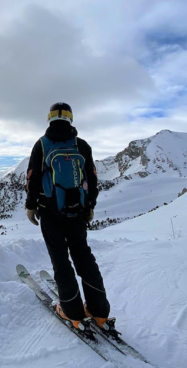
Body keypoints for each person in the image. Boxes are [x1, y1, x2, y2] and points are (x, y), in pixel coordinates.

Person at [25, 102, 111, 331]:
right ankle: (99, 311)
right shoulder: (81, 146)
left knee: (61, 260)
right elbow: (92, 179)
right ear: (71, 119)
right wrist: (89, 205)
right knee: (84, 257)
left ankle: (72, 312)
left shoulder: (42, 145)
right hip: (77, 212)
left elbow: (32, 178)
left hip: (50, 212)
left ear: (49, 118)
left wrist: (31, 206)